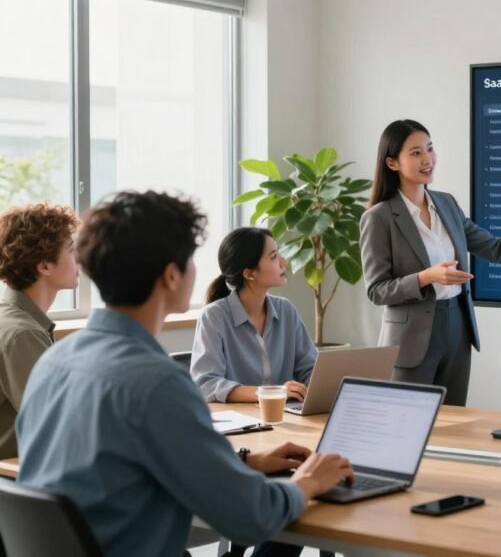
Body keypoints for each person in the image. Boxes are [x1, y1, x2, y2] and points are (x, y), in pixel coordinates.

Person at [16, 191, 353, 557]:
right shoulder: (156, 383)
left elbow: (124, 462)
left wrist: (243, 462)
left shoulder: (53, 363)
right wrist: (307, 482)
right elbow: (251, 516)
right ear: (172, 276)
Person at [359, 119, 501, 406]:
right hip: (411, 338)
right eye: (416, 153)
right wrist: (426, 277)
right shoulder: (378, 218)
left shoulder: (447, 204)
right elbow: (377, 290)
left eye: (430, 149)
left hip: (457, 326)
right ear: (392, 163)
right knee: (408, 422)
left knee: (454, 423)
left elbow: (495, 249)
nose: (427, 159)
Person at [191, 227, 316, 403]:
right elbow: (206, 384)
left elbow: (311, 368)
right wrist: (272, 393)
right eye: (273, 256)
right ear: (250, 274)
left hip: (286, 418)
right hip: (240, 423)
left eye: (278, 253)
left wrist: (320, 386)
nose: (283, 261)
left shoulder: (286, 311)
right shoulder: (214, 317)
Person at [0, 203, 79, 459]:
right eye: (71, 250)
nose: (78, 258)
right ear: (44, 266)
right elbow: (59, 425)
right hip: (16, 482)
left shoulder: (18, 321)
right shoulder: (22, 333)